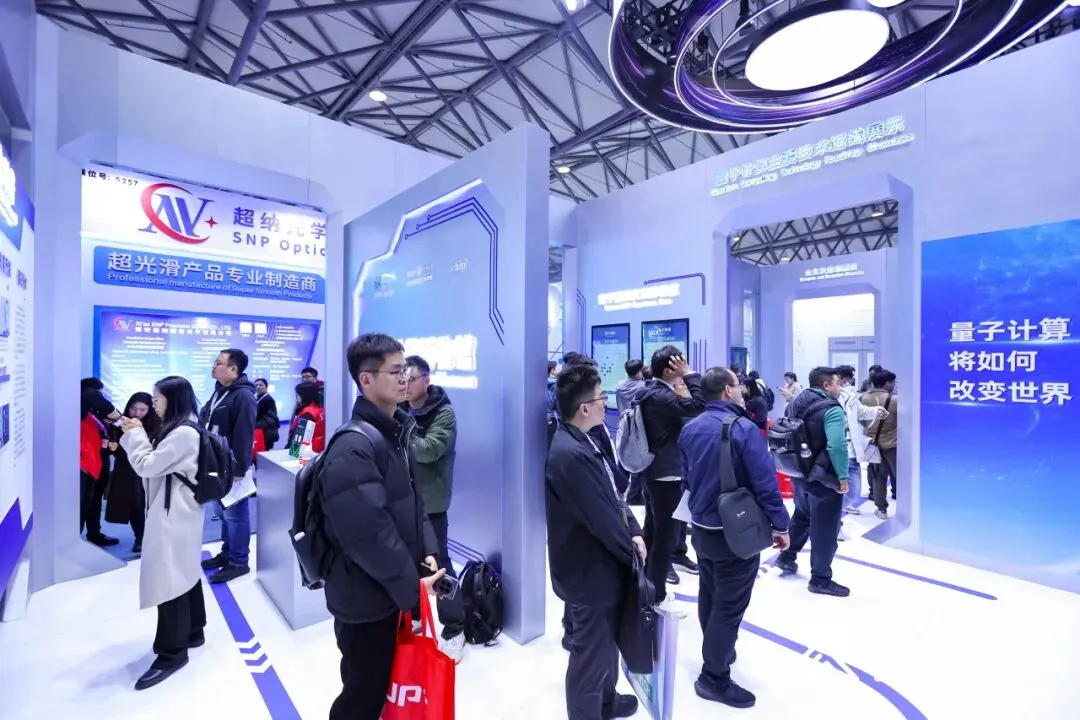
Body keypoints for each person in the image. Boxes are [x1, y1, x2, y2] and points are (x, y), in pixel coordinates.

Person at [321, 333, 442, 720]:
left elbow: (412, 502)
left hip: (389, 592)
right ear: (366, 379)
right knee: (363, 695)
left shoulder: (396, 432)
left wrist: (427, 550)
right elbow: (369, 537)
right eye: (395, 371)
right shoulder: (353, 447)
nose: (405, 379)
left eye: (405, 370)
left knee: (387, 688)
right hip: (365, 601)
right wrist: (411, 589)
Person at [680, 367, 790, 709]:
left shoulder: (691, 428)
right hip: (735, 532)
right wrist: (781, 525)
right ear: (728, 391)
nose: (742, 390)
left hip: (701, 527)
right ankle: (713, 677)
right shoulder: (743, 428)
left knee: (710, 592)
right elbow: (765, 482)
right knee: (729, 606)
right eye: (738, 385)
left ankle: (719, 650)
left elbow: (686, 478)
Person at [546, 362, 642, 720]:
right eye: (602, 397)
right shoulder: (569, 455)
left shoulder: (583, 439)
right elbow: (602, 518)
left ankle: (606, 700)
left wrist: (634, 529)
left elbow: (614, 496)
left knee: (605, 647)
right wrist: (632, 551)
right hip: (588, 573)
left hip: (600, 567)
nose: (606, 403)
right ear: (584, 407)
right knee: (589, 656)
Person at [118, 376, 206, 691]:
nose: (153, 404)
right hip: (180, 510)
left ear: (173, 398)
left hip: (173, 514)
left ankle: (172, 653)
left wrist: (135, 433)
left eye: (157, 398)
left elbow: (147, 465)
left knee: (169, 578)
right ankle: (194, 630)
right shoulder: (186, 424)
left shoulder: (182, 433)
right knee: (184, 570)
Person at [403, 355, 467, 663]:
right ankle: (415, 615)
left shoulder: (443, 413)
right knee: (408, 561)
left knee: (439, 565)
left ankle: (455, 628)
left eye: (410, 379)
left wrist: (402, 428)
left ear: (426, 380)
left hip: (432, 502)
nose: (404, 384)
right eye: (401, 378)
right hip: (405, 500)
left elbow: (427, 451)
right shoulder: (402, 410)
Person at [638, 346, 706, 605]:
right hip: (665, 473)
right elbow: (699, 405)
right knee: (664, 536)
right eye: (680, 363)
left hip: (655, 470)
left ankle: (646, 584)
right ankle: (655, 594)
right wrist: (689, 374)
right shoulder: (661, 395)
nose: (684, 367)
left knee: (654, 530)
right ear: (668, 370)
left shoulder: (652, 391)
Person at [775, 367, 850, 597]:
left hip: (798, 473)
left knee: (802, 516)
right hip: (824, 477)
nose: (840, 388)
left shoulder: (795, 403)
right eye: (837, 383)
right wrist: (843, 477)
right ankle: (820, 579)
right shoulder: (832, 409)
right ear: (826, 385)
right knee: (825, 529)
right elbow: (837, 445)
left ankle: (786, 557)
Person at [199, 349, 257, 584]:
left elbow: (244, 433)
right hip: (214, 462)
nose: (214, 366)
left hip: (232, 467)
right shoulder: (219, 392)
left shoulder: (243, 396)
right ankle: (227, 553)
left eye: (219, 363)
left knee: (235, 515)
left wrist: (239, 468)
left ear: (234, 369)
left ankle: (239, 562)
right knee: (222, 512)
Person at [105, 392, 160, 554]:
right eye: (134, 408)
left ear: (150, 409)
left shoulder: (157, 424)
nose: (137, 413)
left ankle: (148, 537)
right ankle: (140, 537)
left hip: (147, 469)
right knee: (133, 505)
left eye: (142, 410)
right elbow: (113, 445)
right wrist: (112, 446)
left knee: (146, 504)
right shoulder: (120, 422)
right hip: (125, 469)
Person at [80, 378, 121, 547]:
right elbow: (94, 398)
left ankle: (94, 534)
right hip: (83, 464)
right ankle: (74, 541)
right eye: (98, 393)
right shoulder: (79, 406)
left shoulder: (94, 412)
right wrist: (117, 417)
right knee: (82, 503)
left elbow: (109, 429)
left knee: (94, 501)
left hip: (99, 461)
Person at [862, 369, 899, 519]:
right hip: (893, 445)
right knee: (900, 476)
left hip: (873, 445)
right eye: (893, 382)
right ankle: (906, 508)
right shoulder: (894, 400)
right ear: (887, 383)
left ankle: (881, 509)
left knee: (878, 477)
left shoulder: (863, 398)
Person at [290, 380, 327, 453]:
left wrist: (293, 453)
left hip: (308, 453)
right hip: (320, 450)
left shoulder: (307, 414)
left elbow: (298, 441)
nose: (296, 397)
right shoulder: (321, 410)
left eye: (297, 395)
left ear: (304, 396)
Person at [253, 378, 280, 452]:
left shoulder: (268, 399)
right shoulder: (259, 398)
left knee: (262, 454)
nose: (258, 387)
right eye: (256, 385)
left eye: (261, 385)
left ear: (266, 387)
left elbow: (270, 419)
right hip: (261, 431)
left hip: (265, 432)